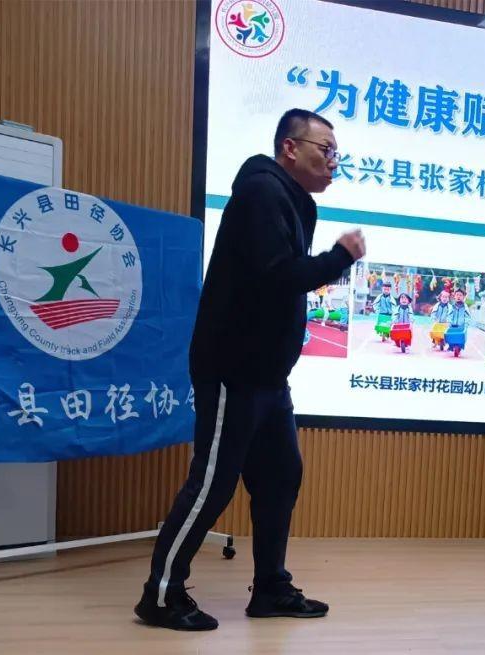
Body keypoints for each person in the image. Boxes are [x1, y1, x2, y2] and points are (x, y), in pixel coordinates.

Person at [135, 109, 366, 631]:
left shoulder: (292, 200)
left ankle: (270, 589)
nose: (334, 161)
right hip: (232, 370)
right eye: (326, 150)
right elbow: (277, 275)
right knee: (213, 483)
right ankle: (160, 595)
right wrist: (339, 257)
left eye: (336, 153)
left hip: (267, 377)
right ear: (290, 148)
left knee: (281, 475)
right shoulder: (262, 192)